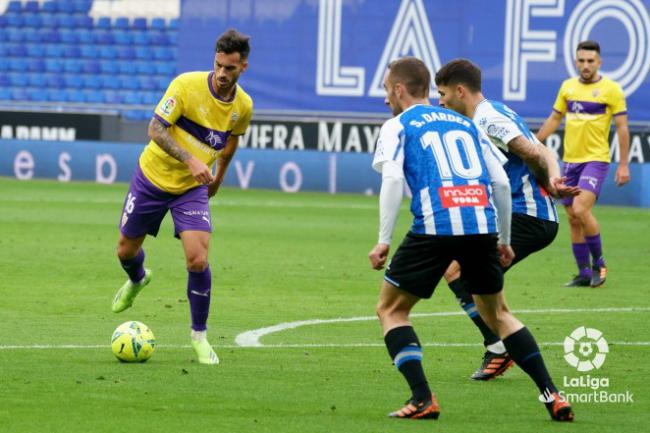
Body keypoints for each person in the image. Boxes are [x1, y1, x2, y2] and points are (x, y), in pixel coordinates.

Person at [369, 56, 573, 421]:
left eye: (386, 90)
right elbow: (497, 183)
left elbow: (392, 180)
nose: (386, 98)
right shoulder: (466, 124)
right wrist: (504, 239)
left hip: (436, 226)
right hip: (482, 227)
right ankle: (552, 395)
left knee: (391, 309)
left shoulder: (398, 125)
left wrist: (383, 239)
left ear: (399, 89)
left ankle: (422, 398)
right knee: (501, 313)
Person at [111, 29, 253, 365]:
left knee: (197, 259)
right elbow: (155, 129)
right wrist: (191, 160)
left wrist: (218, 175)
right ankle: (137, 278)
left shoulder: (243, 106)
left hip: (192, 190)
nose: (222, 73)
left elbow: (232, 139)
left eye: (230, 69)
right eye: (218, 65)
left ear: (243, 67)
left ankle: (199, 336)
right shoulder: (185, 86)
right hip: (151, 177)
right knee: (125, 250)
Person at [434, 58, 579, 381]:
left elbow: (531, 152)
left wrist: (545, 184)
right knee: (467, 275)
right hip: (523, 214)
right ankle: (498, 344)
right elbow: (546, 151)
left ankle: (500, 347)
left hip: (526, 215)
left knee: (460, 272)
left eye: (443, 93)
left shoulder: (487, 118)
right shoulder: (496, 111)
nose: (440, 101)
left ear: (460, 90)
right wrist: (553, 181)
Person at [536, 40, 630, 287]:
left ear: (599, 62)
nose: (585, 65)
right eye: (581, 60)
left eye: (590, 61)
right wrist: (533, 143)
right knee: (572, 216)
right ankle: (583, 273)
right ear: (576, 61)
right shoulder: (567, 87)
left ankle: (600, 263)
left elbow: (622, 128)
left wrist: (623, 165)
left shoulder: (612, 90)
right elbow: (555, 119)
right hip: (571, 161)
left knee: (580, 209)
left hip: (596, 160)